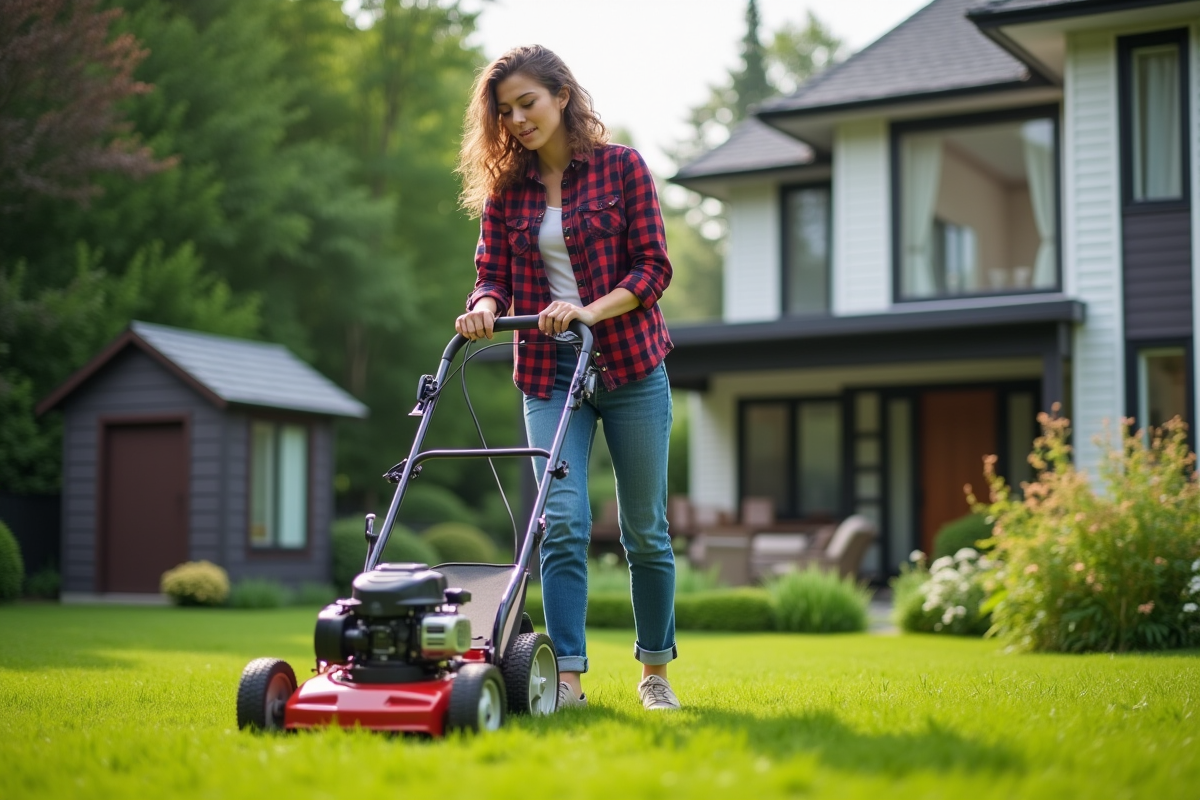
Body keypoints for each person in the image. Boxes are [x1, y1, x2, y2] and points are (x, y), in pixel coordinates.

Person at [454, 45, 680, 712]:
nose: (518, 119)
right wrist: (485, 307)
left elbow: (653, 269)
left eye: (528, 103)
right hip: (549, 373)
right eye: (505, 112)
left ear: (561, 95)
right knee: (561, 519)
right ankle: (569, 680)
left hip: (632, 365)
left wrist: (587, 309)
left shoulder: (623, 167)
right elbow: (488, 272)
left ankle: (654, 672)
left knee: (646, 530)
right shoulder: (506, 192)